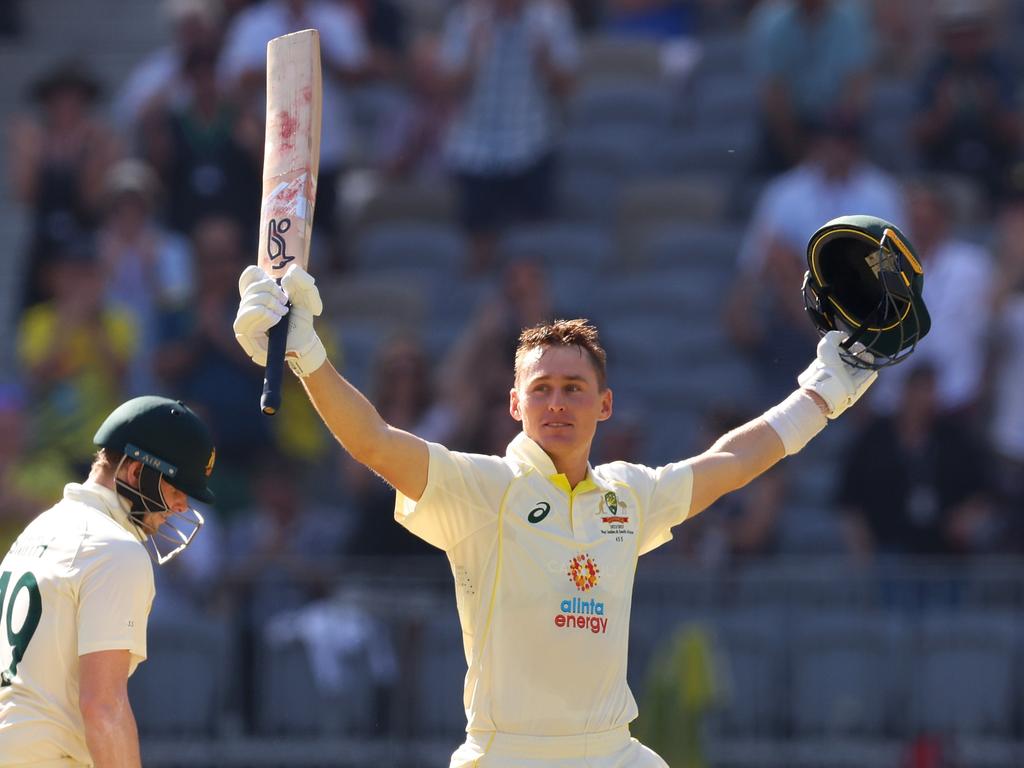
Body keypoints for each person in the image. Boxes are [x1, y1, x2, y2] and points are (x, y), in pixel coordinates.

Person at [233, 208, 890, 766]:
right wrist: (306, 354)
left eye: (573, 389)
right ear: (514, 404)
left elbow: (732, 461)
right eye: (541, 389)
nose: (557, 402)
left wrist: (823, 393)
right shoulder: (484, 489)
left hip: (610, 752)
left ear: (604, 405)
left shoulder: (628, 497)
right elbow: (375, 441)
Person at [0, 395, 216, 767]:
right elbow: (105, 709)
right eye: (177, 489)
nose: (182, 507)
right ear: (135, 472)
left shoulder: (41, 527)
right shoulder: (116, 550)